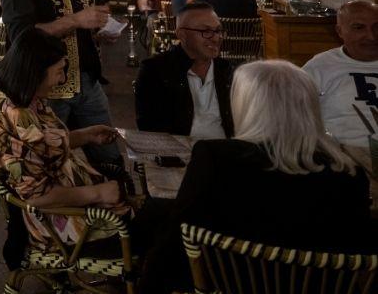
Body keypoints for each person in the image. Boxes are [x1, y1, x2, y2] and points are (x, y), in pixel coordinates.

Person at [140, 60, 376, 293]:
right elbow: (356, 252)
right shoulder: (348, 173)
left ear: (248, 106)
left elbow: (178, 235)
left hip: (230, 284)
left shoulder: (215, 158)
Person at [0, 0, 121, 165]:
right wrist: (76, 21)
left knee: (110, 159)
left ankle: (117, 199)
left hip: (88, 82)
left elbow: (94, 12)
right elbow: (21, 36)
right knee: (43, 162)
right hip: (44, 91)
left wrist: (100, 29)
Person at [0, 27, 130, 248]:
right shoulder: (19, 117)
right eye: (59, 71)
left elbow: (41, 146)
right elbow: (36, 196)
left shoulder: (26, 96)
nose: (62, 79)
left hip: (72, 198)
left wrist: (86, 135)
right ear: (35, 72)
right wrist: (98, 193)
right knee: (156, 229)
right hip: (59, 222)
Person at [134, 3, 235, 139]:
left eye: (218, 30)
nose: (216, 38)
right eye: (206, 31)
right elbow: (150, 127)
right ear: (182, 35)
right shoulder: (156, 71)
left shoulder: (228, 71)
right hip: (179, 154)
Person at [302, 0, 378, 148]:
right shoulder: (319, 67)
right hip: (340, 158)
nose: (371, 36)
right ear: (339, 31)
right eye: (359, 27)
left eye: (377, 27)